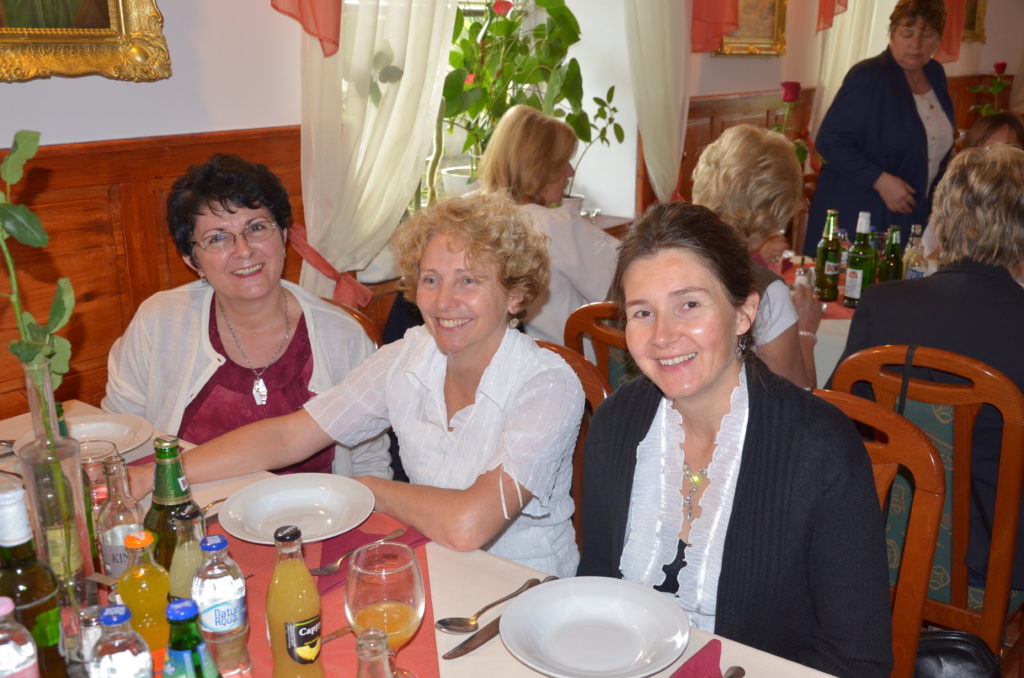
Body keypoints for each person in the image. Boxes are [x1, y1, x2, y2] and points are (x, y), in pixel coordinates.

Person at [130, 193, 584, 577]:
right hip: (436, 566)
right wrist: (157, 474)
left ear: (515, 294)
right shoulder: (408, 357)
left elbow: (468, 526)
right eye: (431, 280)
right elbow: (288, 435)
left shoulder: (547, 385)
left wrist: (371, 489)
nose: (445, 301)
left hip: (523, 589)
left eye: (469, 281)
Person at [578, 202, 892, 677]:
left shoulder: (819, 450)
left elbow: (858, 661)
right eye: (643, 312)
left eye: (689, 305)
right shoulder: (618, 423)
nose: (662, 335)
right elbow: (597, 587)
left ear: (744, 312)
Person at [103, 153, 391, 478]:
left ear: (283, 236)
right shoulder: (159, 321)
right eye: (217, 238)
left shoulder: (342, 334)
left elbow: (369, 463)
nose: (243, 250)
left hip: (317, 508)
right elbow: (122, 437)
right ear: (192, 260)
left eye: (256, 228)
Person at [834, 144, 1024, 590]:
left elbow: (839, 424)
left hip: (880, 541)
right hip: (994, 565)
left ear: (944, 216)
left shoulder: (883, 303)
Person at [806, 0, 954, 252]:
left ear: (938, 39)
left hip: (912, 212)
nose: (916, 44)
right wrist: (880, 180)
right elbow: (829, 142)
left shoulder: (935, 74)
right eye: (907, 34)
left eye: (927, 35)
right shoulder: (868, 75)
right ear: (892, 33)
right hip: (862, 211)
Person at [691, 124, 822, 387]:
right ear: (777, 207)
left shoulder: (653, 254)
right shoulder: (765, 292)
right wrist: (806, 331)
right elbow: (796, 398)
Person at [478, 105, 618, 349]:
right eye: (563, 163)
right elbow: (628, 275)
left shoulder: (476, 217)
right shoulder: (552, 226)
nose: (570, 172)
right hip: (568, 364)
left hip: (500, 359)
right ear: (539, 168)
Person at [921, 112, 1024, 258]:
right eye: (990, 149)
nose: (1000, 158)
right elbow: (926, 260)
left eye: (1009, 148)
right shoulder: (957, 201)